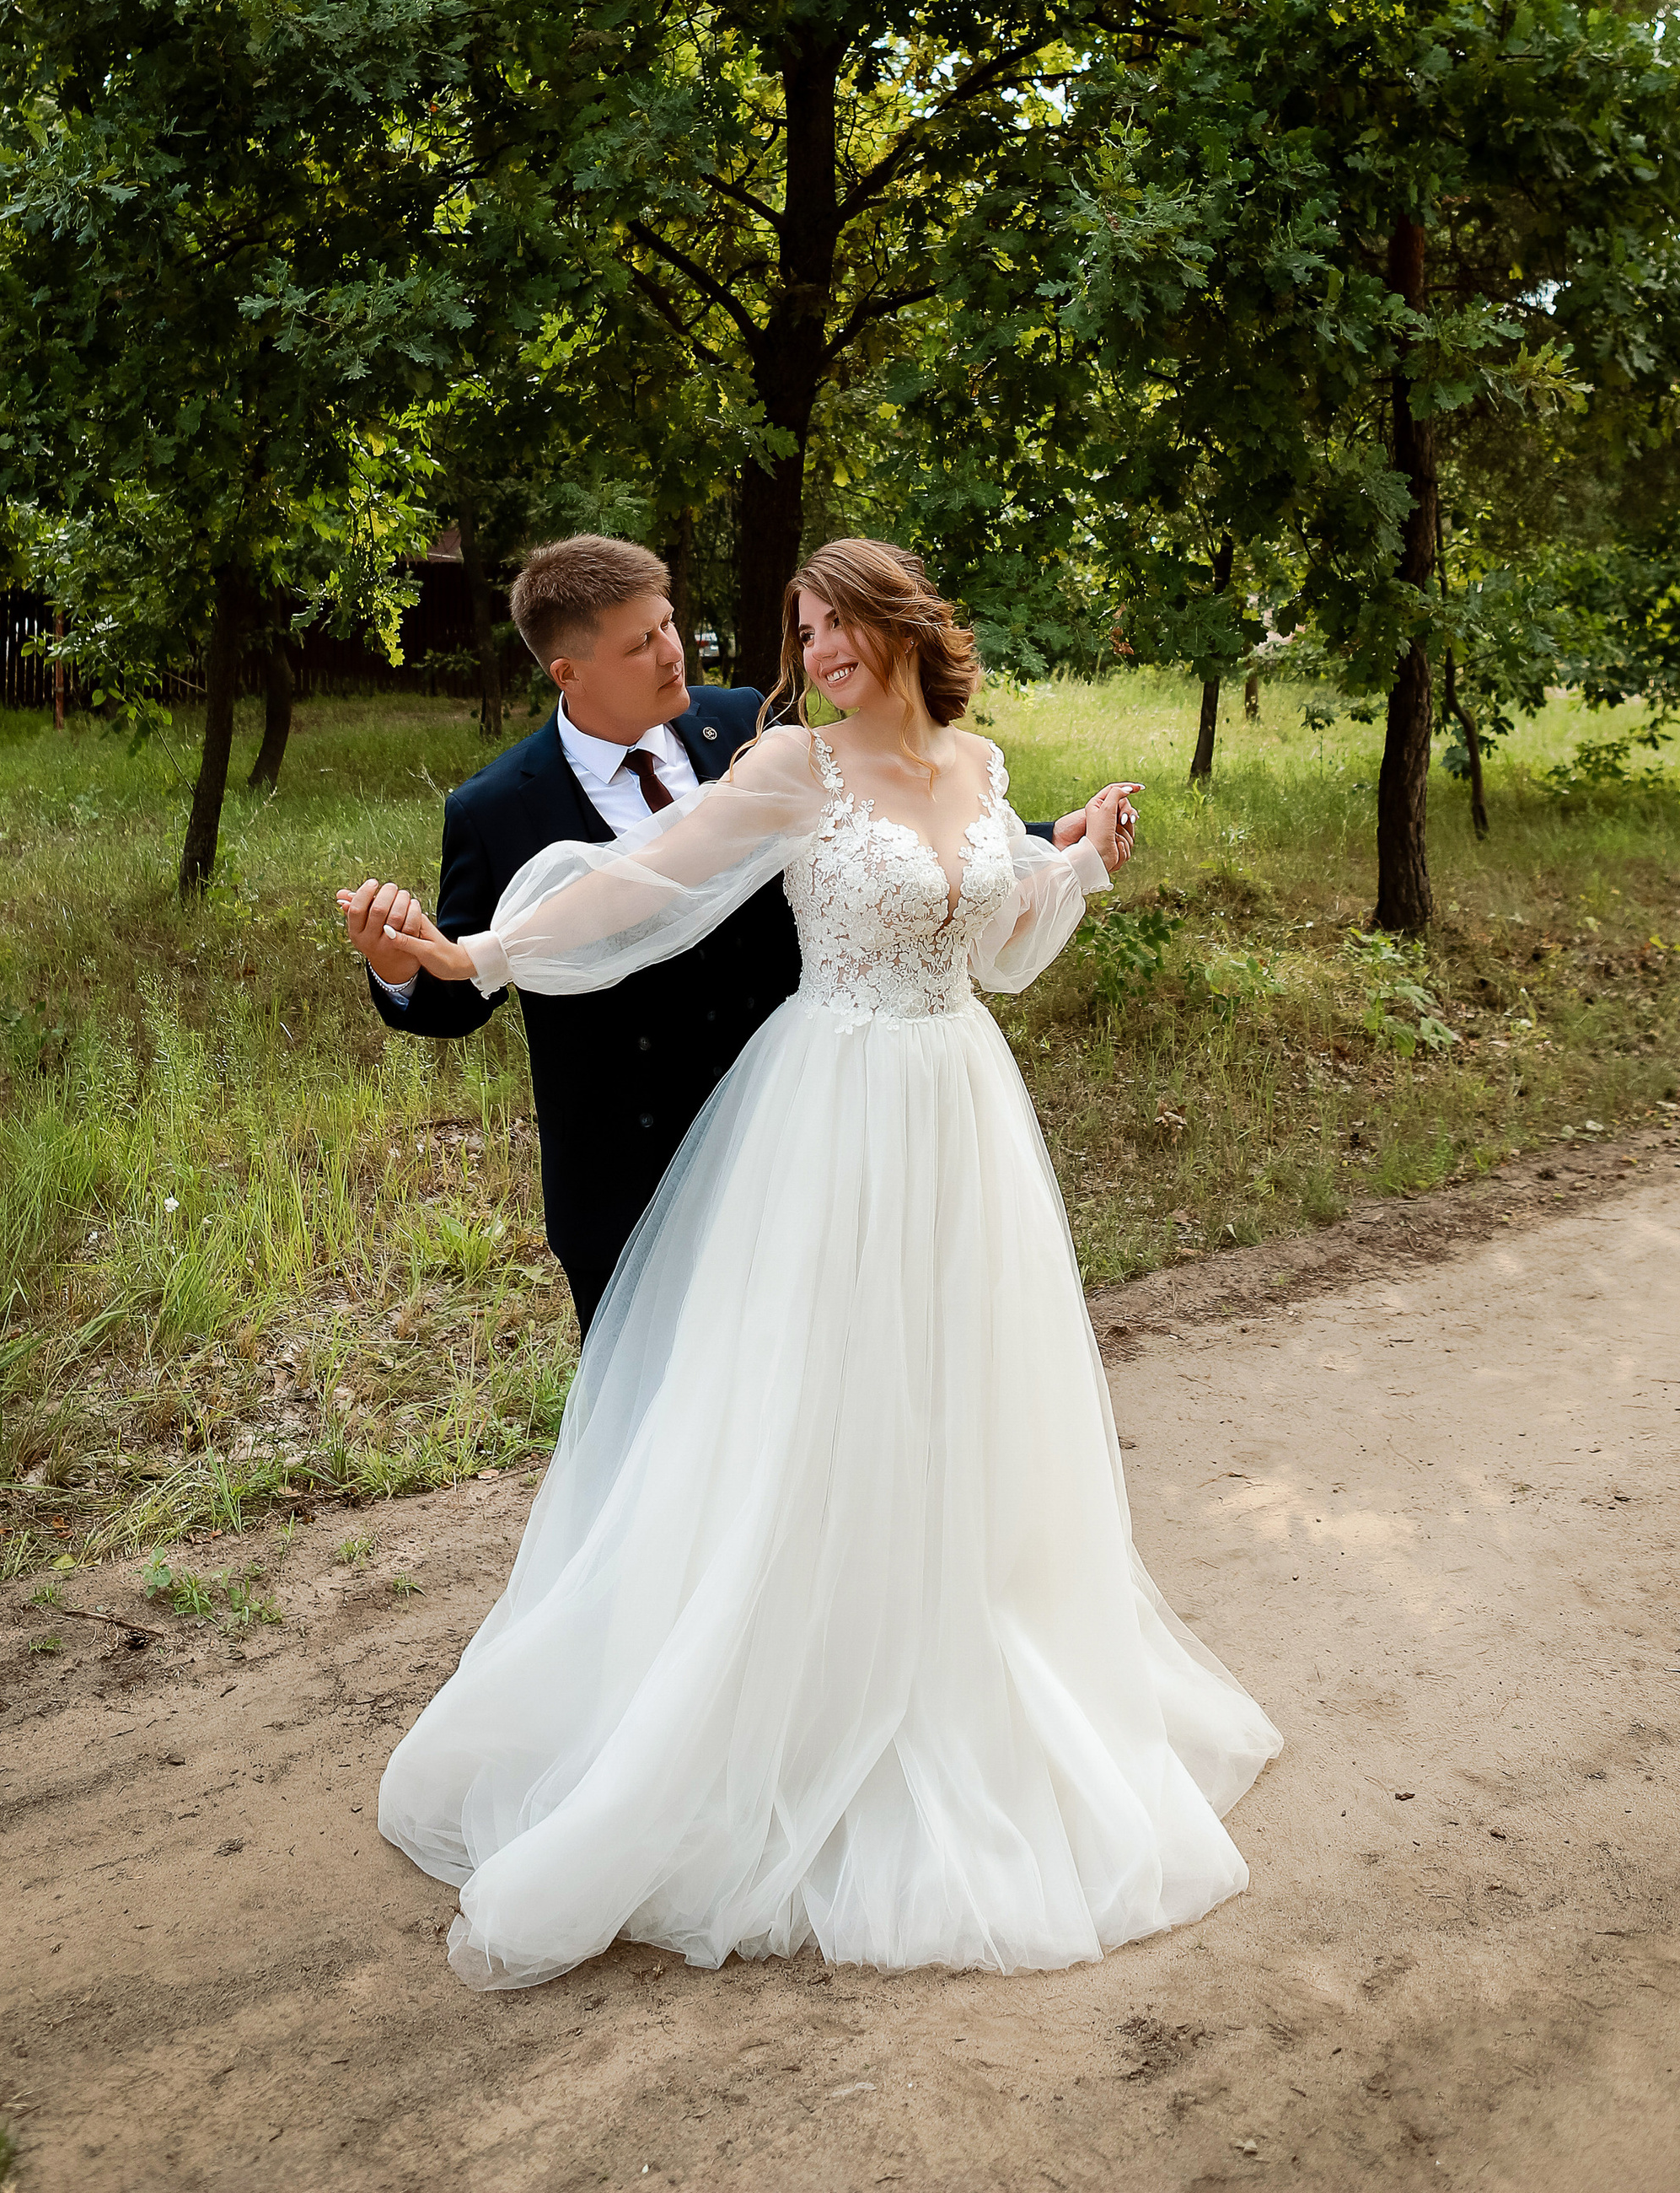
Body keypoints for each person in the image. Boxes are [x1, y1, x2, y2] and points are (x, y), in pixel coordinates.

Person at [340, 538, 1280, 1991]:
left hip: (960, 1113)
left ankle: (950, 1663)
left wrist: (1077, 851)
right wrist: (475, 953)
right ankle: (777, 1696)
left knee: (953, 1400)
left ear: (901, 622)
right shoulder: (789, 766)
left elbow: (1008, 925)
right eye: (803, 625)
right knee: (806, 1413)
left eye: (839, 619)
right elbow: (641, 878)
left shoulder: (981, 762)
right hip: (824, 1118)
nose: (819, 645)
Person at [339, 535, 1081, 1334]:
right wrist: (413, 969)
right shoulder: (494, 809)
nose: (672, 652)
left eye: (668, 625)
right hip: (628, 1168)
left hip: (801, 1133)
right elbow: (576, 917)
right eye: (641, 643)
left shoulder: (750, 724)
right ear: (571, 673)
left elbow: (887, 823)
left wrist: (1047, 840)